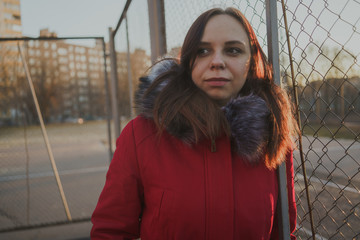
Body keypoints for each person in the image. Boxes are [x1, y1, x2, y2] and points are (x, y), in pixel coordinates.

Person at [91, 7, 298, 240]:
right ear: (188, 62)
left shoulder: (274, 133)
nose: (217, 62)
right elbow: (110, 232)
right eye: (203, 51)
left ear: (251, 62)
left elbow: (283, 232)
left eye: (233, 50)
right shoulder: (141, 134)